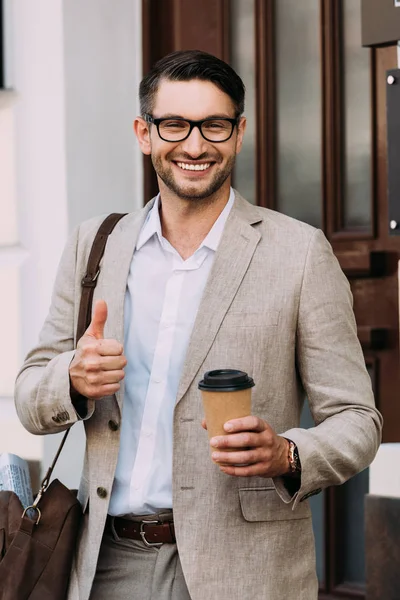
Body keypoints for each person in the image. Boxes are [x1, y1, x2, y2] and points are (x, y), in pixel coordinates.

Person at [15, 50, 382, 600]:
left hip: (247, 572)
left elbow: (357, 419)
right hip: (106, 566)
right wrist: (71, 377)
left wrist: (287, 454)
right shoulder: (95, 247)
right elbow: (27, 396)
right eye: (174, 125)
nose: (194, 145)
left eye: (214, 125)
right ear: (144, 133)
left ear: (238, 133)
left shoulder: (299, 252)